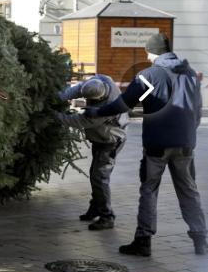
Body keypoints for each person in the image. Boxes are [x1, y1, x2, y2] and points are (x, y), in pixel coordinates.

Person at [85, 33, 206, 256]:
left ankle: (143, 241)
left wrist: (96, 111)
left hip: (157, 145)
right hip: (185, 144)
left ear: (153, 52)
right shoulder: (189, 74)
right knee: (189, 191)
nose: (148, 58)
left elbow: (123, 103)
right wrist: (188, 133)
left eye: (148, 53)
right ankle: (201, 239)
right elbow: (197, 110)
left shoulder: (150, 75)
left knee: (149, 189)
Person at [55, 75, 128, 230]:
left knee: (99, 177)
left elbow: (75, 121)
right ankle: (96, 207)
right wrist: (59, 97)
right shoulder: (104, 80)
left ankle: (107, 216)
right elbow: (76, 89)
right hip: (101, 138)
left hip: (110, 141)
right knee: (96, 175)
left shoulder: (105, 109)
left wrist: (53, 115)